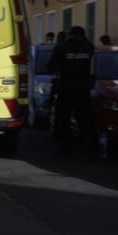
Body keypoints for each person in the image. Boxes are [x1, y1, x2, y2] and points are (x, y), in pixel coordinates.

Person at [47, 26, 95, 155]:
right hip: (83, 89)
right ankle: (89, 148)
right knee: (84, 119)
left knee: (63, 119)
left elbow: (51, 67)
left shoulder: (61, 47)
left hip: (65, 88)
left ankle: (65, 148)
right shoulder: (90, 48)